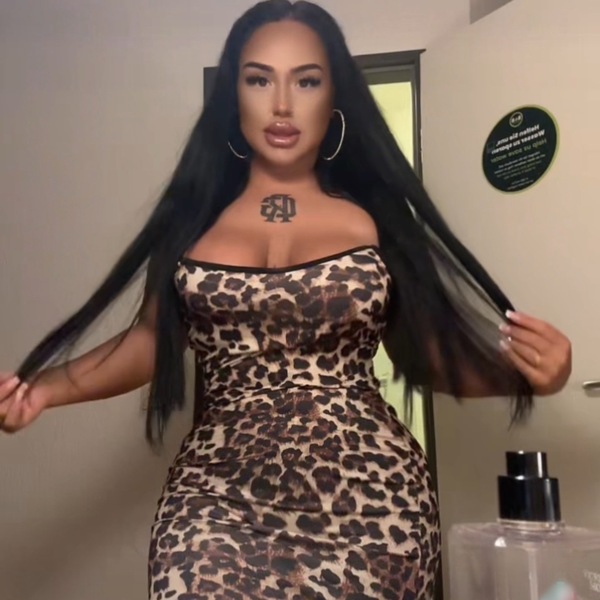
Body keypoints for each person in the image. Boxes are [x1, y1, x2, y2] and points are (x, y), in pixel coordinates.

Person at [0, 1, 572, 598]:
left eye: (306, 81)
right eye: (258, 79)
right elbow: (148, 343)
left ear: (334, 96)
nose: (281, 104)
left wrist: (529, 375)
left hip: (372, 506)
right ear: (235, 95)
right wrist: (43, 389)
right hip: (215, 501)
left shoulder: (376, 217)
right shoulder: (190, 222)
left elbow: (425, 358)